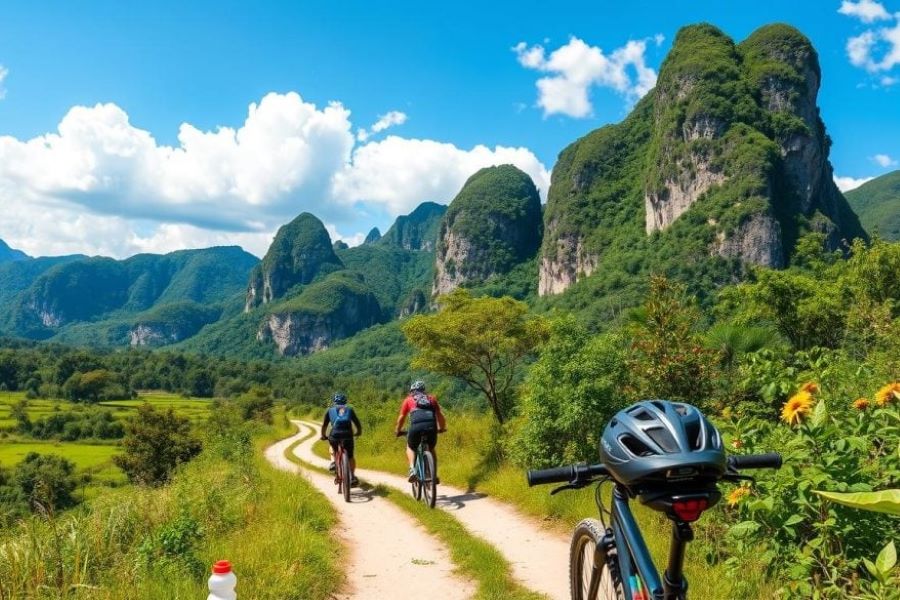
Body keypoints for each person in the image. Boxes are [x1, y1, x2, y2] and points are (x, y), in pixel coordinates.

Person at [394, 380, 446, 483]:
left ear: (412, 391)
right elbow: (440, 415)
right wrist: (442, 428)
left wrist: (397, 430)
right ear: (424, 390)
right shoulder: (431, 399)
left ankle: (412, 469)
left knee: (410, 447)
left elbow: (401, 418)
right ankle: (434, 475)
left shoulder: (408, 400)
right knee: (431, 449)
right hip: (431, 427)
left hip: (416, 427)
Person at [321, 393, 361, 487]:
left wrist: (323, 436)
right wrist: (358, 432)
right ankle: (352, 477)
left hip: (334, 435)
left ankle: (334, 462)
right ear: (345, 402)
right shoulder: (350, 410)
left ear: (335, 402)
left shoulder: (330, 410)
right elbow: (357, 423)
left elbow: (324, 425)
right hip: (348, 435)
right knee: (350, 456)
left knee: (332, 447)